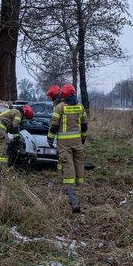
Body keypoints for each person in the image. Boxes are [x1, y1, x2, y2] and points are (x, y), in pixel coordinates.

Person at [48, 83, 87, 213]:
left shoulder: (59, 108)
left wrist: (50, 138)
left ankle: (70, 187)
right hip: (77, 141)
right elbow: (84, 125)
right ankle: (80, 184)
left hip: (64, 142)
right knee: (79, 162)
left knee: (68, 162)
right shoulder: (80, 107)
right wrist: (83, 138)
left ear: (63, 95)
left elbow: (53, 126)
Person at [0, 104, 33, 171]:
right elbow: (15, 126)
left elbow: (11, 128)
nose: (24, 119)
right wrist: (17, 137)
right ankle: (2, 169)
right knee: (4, 145)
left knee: (5, 147)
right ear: (25, 114)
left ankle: (2, 168)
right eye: (26, 117)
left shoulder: (15, 112)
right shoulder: (18, 113)